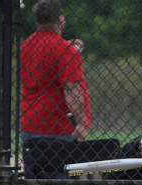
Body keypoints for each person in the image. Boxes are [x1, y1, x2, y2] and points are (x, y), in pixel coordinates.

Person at [20, 0, 90, 149]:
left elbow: (45, 57)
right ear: (60, 20)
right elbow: (71, 90)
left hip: (29, 124)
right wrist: (82, 123)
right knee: (59, 171)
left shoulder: (26, 46)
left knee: (33, 171)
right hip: (57, 127)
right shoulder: (65, 51)